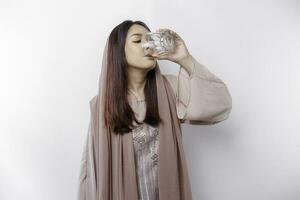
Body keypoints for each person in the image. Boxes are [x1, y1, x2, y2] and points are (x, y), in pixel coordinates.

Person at [78, 20, 232, 200]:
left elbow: (220, 104)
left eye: (150, 39)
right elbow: (91, 168)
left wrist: (185, 59)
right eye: (137, 40)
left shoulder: (170, 89)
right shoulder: (102, 105)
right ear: (118, 52)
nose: (147, 45)